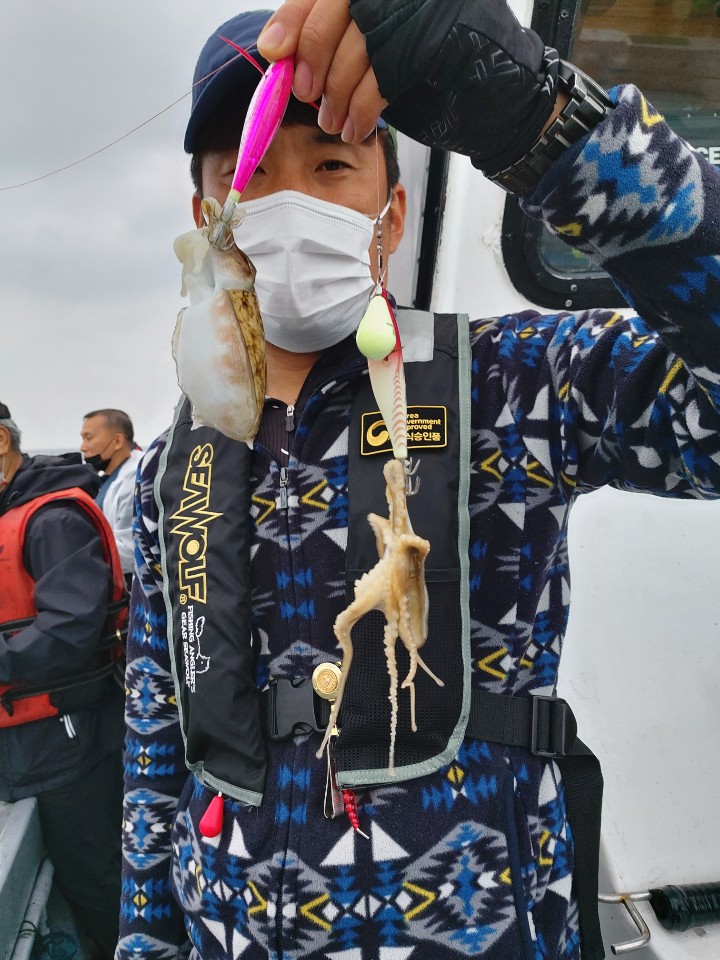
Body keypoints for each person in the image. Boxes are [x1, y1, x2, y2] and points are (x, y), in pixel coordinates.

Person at [117, 3, 720, 959]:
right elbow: (157, 746)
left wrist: (543, 123)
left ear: (390, 214)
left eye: (330, 165)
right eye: (247, 176)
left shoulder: (519, 382)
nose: (284, 203)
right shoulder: (164, 472)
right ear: (206, 221)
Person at [0, 402, 127, 960]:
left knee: (94, 878)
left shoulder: (51, 517)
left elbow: (71, 627)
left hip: (66, 736)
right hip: (26, 737)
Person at [80, 408, 142, 585]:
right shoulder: (108, 478)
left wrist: (77, 553)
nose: (83, 447)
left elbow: (131, 550)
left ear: (117, 441)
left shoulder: (134, 480)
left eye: (89, 437)